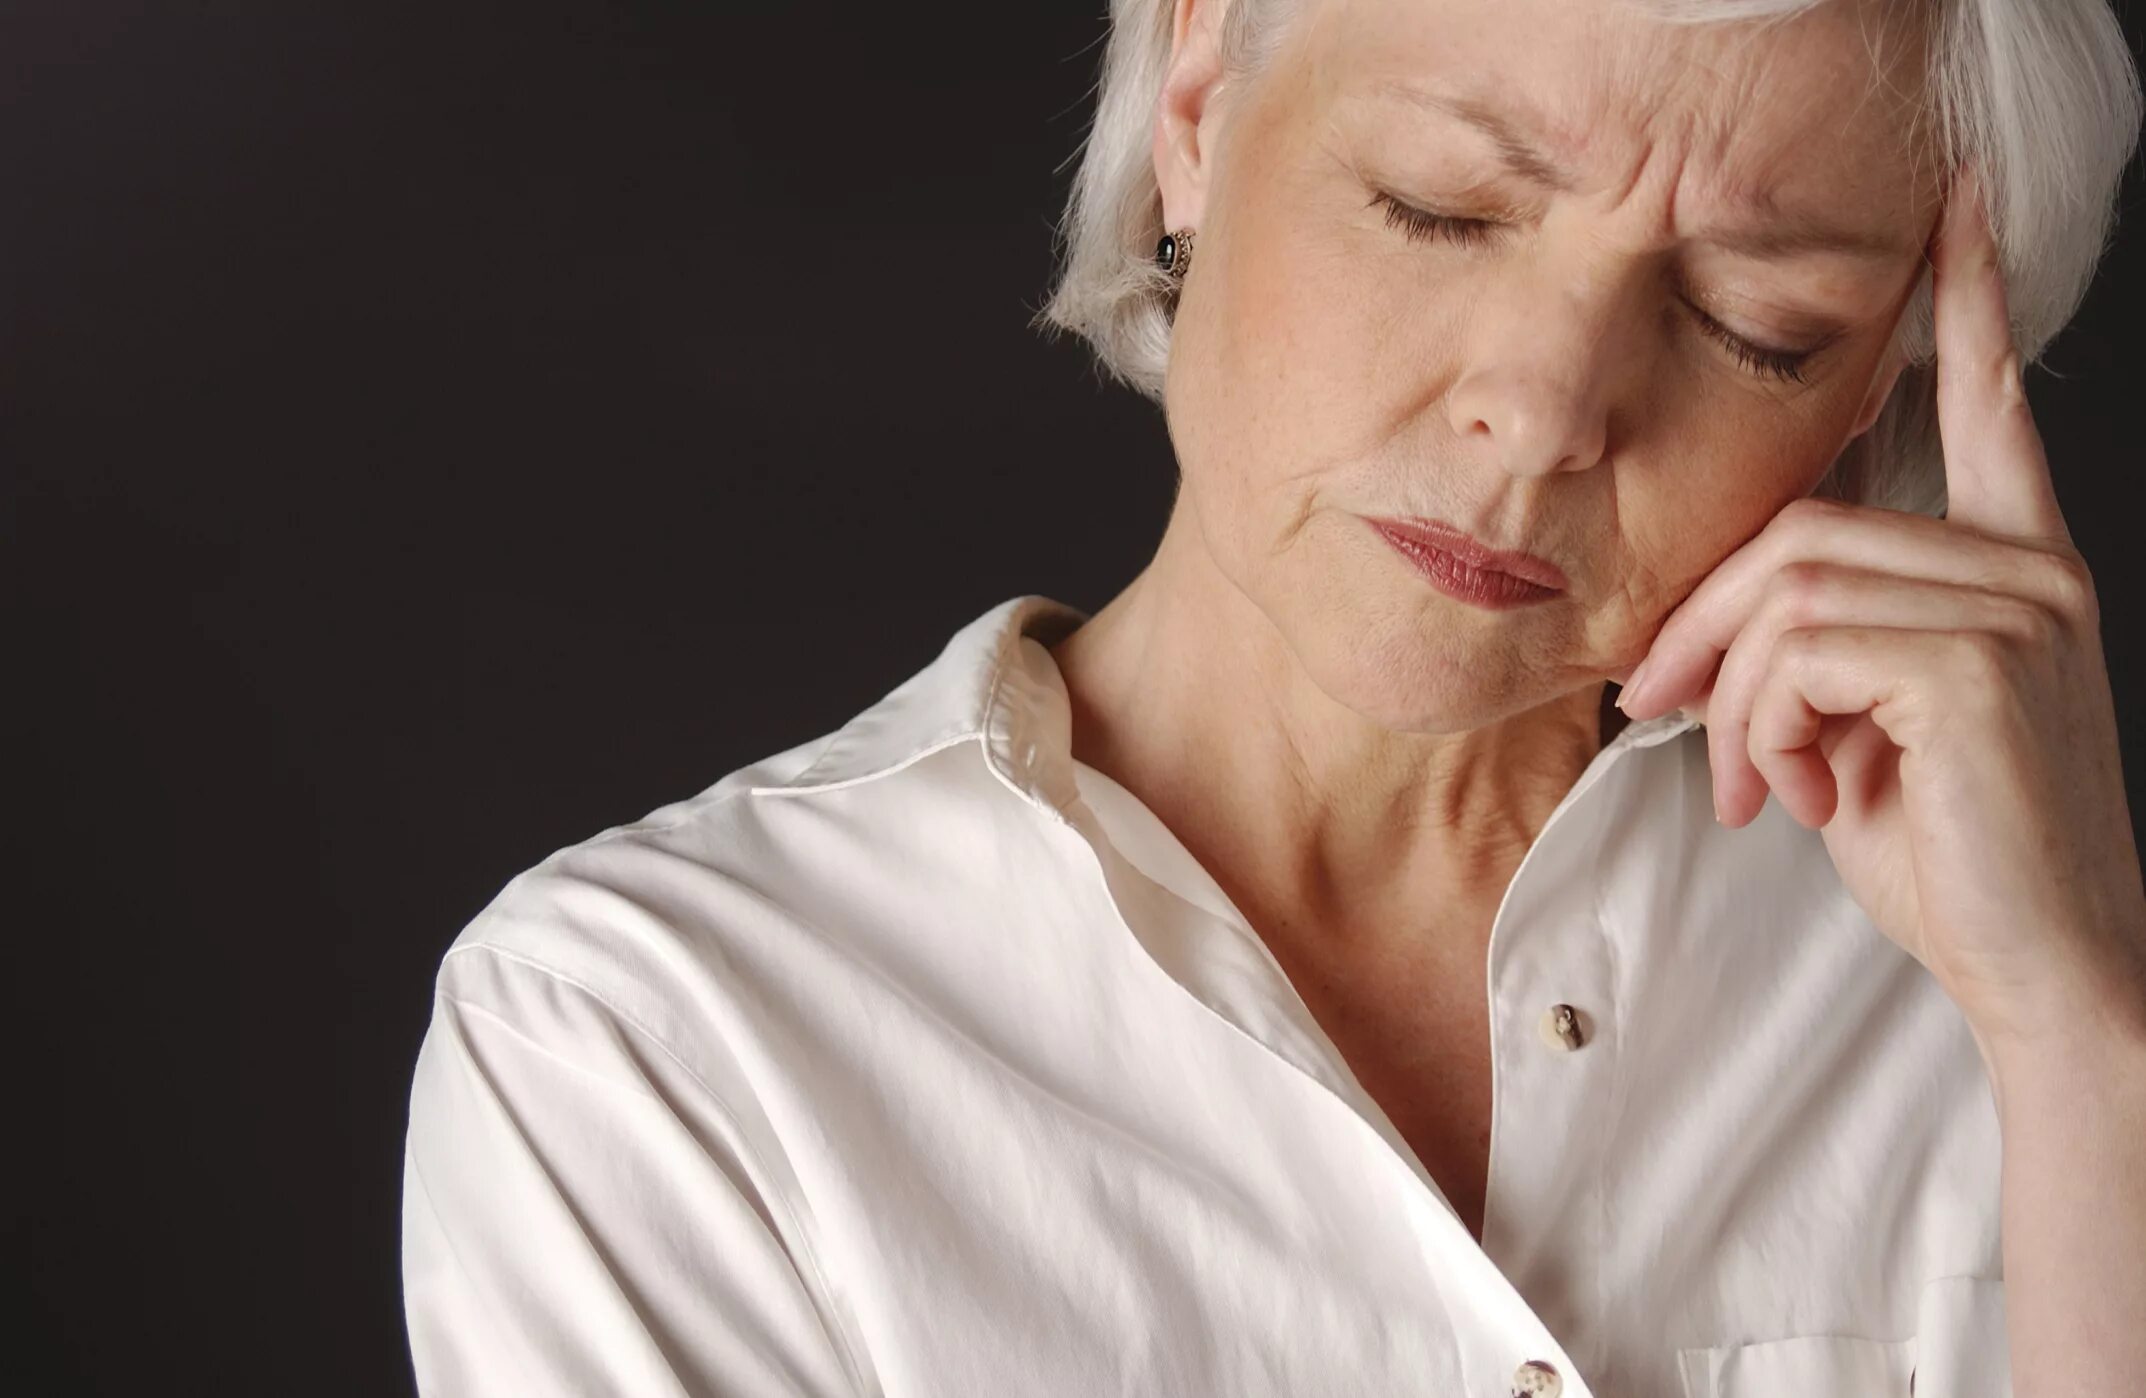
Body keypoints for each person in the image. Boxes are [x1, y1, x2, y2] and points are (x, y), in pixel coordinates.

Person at [400, 0, 2146, 1393]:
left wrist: (2082, 1054)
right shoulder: (659, 1043)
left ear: (1880, 385)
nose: (1541, 411)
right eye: (1439, 210)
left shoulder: (2014, 979)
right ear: (1197, 102)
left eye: (1755, 321)